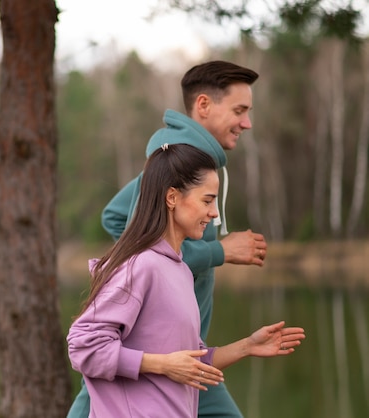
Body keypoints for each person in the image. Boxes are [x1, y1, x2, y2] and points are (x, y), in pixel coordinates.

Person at [68, 60, 269, 417]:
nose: (247, 123)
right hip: (153, 360)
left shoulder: (189, 164)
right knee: (96, 396)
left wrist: (246, 346)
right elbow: (86, 347)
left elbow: (117, 216)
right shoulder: (184, 162)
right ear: (204, 105)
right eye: (239, 110)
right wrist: (216, 251)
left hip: (182, 357)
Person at [67, 143, 305, 418]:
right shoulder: (139, 265)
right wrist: (161, 364)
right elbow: (83, 346)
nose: (214, 212)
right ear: (172, 198)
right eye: (207, 200)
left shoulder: (179, 269)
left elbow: (190, 361)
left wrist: (247, 346)